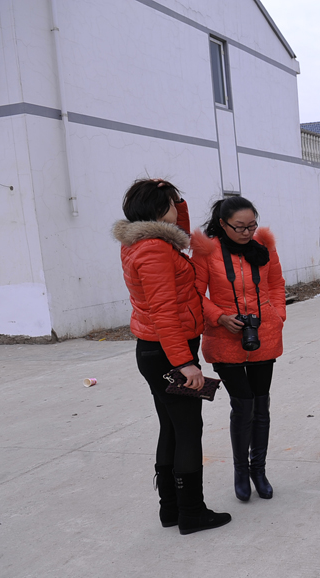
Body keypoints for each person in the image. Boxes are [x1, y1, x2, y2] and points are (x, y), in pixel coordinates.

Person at [112, 178, 230, 535]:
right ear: (158, 209)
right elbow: (163, 312)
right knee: (189, 428)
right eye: (172, 204)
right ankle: (192, 513)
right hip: (167, 353)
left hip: (158, 351)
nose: (178, 210)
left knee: (173, 427)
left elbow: (181, 233)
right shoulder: (155, 251)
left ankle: (171, 509)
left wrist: (175, 199)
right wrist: (185, 363)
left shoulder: (145, 242)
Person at [191, 197, 286, 502]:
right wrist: (219, 317)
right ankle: (241, 471)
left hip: (263, 335)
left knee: (261, 405)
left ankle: (259, 470)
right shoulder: (206, 250)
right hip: (224, 337)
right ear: (222, 224)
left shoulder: (264, 247)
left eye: (252, 226)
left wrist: (277, 316)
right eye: (239, 227)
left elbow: (277, 284)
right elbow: (195, 293)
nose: (247, 233)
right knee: (243, 405)